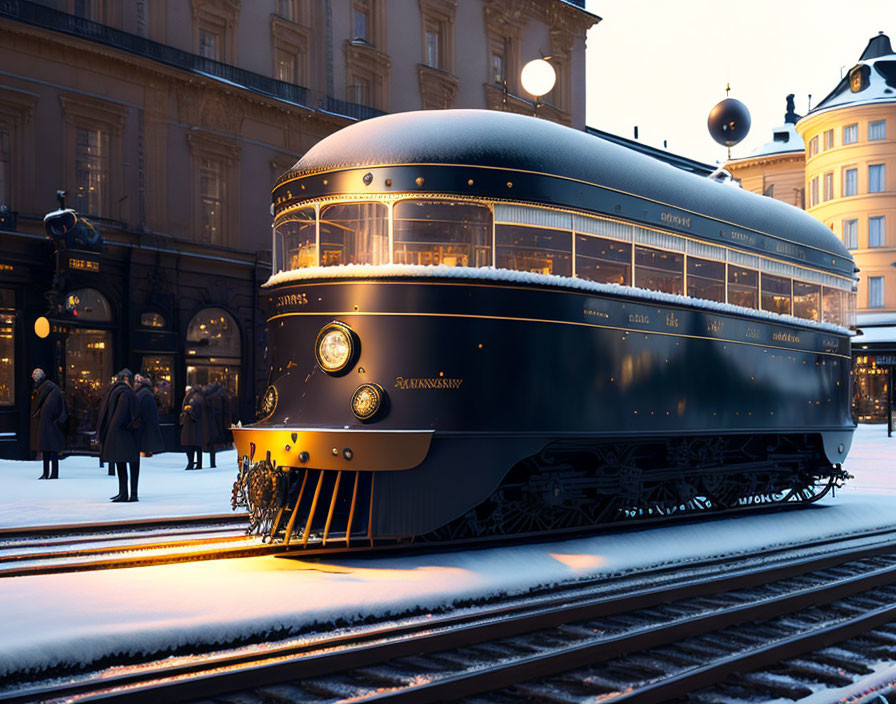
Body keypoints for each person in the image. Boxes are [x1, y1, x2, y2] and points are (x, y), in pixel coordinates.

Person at [95, 369, 140, 502]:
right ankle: (128, 493)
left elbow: (118, 415)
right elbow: (122, 415)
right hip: (127, 435)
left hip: (121, 434)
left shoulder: (120, 392)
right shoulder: (127, 393)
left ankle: (126, 493)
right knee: (129, 464)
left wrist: (111, 430)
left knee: (122, 463)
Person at [30, 368, 67, 480]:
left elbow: (54, 408)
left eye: (34, 379)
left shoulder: (47, 389)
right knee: (48, 449)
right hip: (48, 424)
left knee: (50, 449)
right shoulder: (48, 389)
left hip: (50, 424)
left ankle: (51, 473)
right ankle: (48, 473)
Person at [180, 385, 204, 470]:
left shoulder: (194, 398)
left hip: (191, 425)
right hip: (195, 426)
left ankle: (191, 463)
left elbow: (194, 411)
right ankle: (198, 463)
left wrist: (189, 412)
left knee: (190, 445)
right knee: (197, 446)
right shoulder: (199, 397)